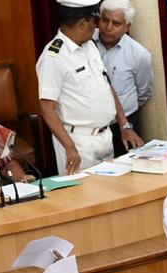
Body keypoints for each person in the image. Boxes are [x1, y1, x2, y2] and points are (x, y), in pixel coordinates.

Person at [37, 0, 144, 175]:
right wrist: (70, 148)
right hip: (78, 143)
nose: (97, 27)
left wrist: (124, 125)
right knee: (84, 191)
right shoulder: (53, 57)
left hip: (105, 137)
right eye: (95, 22)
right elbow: (47, 108)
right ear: (82, 23)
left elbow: (106, 86)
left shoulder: (89, 46)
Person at [95, 0, 154, 155]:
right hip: (92, 129)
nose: (108, 27)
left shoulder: (139, 54)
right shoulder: (86, 42)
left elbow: (144, 92)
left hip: (124, 126)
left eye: (116, 23)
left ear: (127, 26)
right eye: (105, 20)